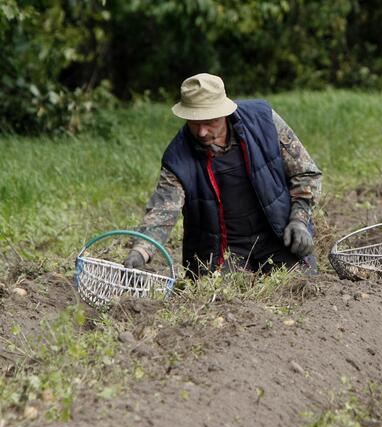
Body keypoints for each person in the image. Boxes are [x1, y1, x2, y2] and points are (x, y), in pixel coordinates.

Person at [123, 73, 323, 277]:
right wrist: (140, 252)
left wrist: (299, 220)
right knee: (220, 299)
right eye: (194, 122)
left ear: (224, 113)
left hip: (277, 235)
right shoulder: (177, 158)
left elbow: (306, 173)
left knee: (298, 285)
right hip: (222, 250)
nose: (201, 132)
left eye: (209, 121)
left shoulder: (263, 121)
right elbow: (163, 210)